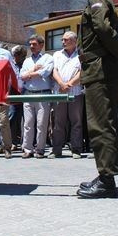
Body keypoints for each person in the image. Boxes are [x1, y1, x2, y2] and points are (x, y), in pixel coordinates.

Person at [75, 0, 118, 199]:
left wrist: (117, 50)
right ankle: (106, 175)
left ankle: (107, 181)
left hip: (100, 69)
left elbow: (102, 28)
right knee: (105, 122)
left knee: (100, 124)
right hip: (100, 68)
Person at [50, 31, 84, 159]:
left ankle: (76, 149)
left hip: (75, 94)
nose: (63, 42)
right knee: (58, 122)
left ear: (74, 41)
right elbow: (54, 71)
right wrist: (61, 84)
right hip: (59, 93)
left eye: (66, 40)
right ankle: (56, 149)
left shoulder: (81, 54)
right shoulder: (57, 54)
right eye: (62, 39)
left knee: (77, 122)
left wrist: (68, 84)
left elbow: (83, 72)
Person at [20, 34, 53, 159]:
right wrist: (34, 70)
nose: (31, 46)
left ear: (41, 45)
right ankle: (27, 149)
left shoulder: (48, 58)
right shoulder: (27, 60)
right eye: (30, 44)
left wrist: (29, 74)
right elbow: (21, 76)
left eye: (34, 44)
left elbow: (44, 73)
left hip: (43, 94)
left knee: (41, 124)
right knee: (27, 124)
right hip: (28, 95)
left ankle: (40, 149)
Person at [9, 45, 27, 150]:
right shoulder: (11, 65)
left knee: (26, 120)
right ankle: (13, 142)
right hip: (13, 94)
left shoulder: (27, 64)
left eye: (22, 56)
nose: (19, 58)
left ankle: (25, 142)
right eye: (17, 55)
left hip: (26, 94)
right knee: (12, 118)